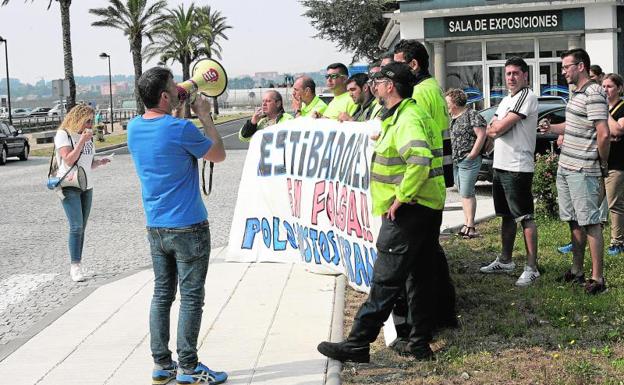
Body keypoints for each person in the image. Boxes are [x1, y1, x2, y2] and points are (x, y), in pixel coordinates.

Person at [317, 62, 455, 363]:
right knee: (419, 278)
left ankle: (358, 342)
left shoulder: (407, 118)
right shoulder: (405, 115)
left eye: (378, 82)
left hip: (408, 212)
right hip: (425, 208)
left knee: (385, 280)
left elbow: (418, 158)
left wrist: (401, 198)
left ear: (390, 86)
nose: (373, 86)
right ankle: (419, 343)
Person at [127, 67, 228, 384]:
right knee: (192, 297)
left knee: (161, 295)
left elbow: (164, 117)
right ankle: (189, 367)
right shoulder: (180, 128)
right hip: (189, 226)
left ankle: (162, 364)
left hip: (155, 226)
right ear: (164, 96)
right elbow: (218, 155)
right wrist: (205, 116)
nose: (179, 89)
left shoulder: (133, 128)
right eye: (173, 87)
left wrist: (178, 100)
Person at [540, 49, 610, 294]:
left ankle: (598, 279)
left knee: (590, 222)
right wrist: (551, 127)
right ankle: (577, 271)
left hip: (584, 168)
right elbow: (572, 125)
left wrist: (602, 164)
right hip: (567, 166)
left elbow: (603, 132)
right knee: (574, 221)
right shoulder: (576, 93)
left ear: (580, 66)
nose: (563, 71)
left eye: (566, 66)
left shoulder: (594, 93)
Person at [480, 57, 540, 287]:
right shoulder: (506, 99)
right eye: (508, 74)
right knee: (505, 215)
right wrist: (494, 129)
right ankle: (505, 260)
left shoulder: (527, 96)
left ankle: (531, 267)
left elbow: (499, 127)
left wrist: (495, 129)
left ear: (525, 75)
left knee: (525, 217)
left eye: (516, 73)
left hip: (517, 167)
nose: (511, 78)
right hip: (500, 165)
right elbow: (491, 129)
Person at [54, 104, 111, 282]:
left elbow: (87, 163)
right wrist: (81, 141)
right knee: (76, 226)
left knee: (82, 227)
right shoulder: (64, 134)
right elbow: (69, 159)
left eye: (91, 122)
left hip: (87, 185)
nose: (89, 125)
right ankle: (74, 266)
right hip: (69, 185)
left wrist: (99, 162)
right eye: (87, 121)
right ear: (77, 118)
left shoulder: (88, 137)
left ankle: (79, 263)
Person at [393, 40, 453, 188]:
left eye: (398, 65)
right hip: (435, 170)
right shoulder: (433, 87)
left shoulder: (417, 92)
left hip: (423, 175)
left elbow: (415, 139)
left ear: (413, 64)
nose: (393, 70)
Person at [445, 88, 487, 239]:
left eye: (448, 102)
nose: (447, 105)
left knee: (467, 193)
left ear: (455, 103)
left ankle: (471, 226)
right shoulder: (453, 117)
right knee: (463, 192)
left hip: (468, 159)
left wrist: (473, 153)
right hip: (457, 160)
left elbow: (482, 134)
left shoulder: (472, 115)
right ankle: (467, 223)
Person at [602, 73, 624, 255]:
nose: (605, 90)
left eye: (609, 86)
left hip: (617, 163)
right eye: (603, 87)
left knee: (614, 204)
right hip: (600, 162)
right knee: (592, 203)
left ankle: (617, 242)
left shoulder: (621, 107)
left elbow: (618, 130)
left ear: (619, 88)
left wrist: (605, 114)